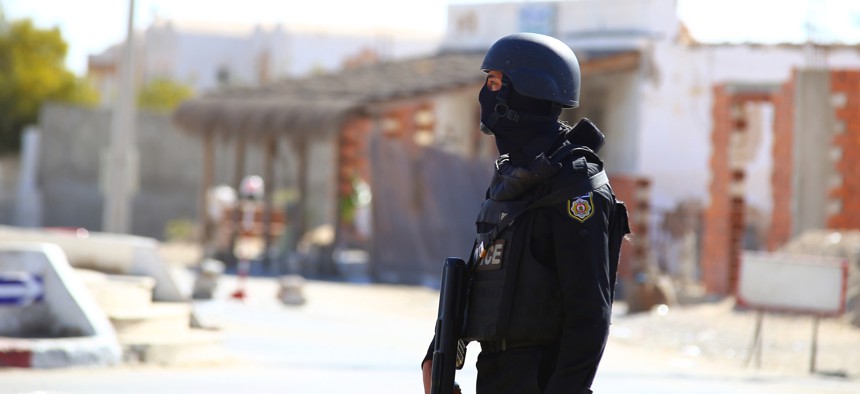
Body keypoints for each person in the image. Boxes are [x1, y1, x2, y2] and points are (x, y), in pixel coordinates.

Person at [421, 32, 630, 394]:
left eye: (496, 82)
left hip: (541, 378)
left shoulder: (574, 186)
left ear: (527, 91)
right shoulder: (512, 179)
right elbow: (483, 276)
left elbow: (589, 316)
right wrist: (437, 354)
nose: (486, 94)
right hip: (494, 373)